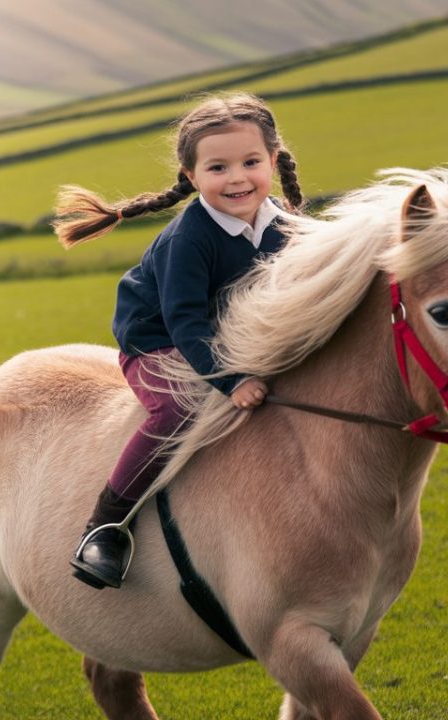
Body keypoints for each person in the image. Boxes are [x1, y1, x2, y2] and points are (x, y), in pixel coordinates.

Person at [53, 93, 305, 589]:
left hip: (232, 335)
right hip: (159, 340)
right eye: (218, 167)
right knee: (180, 410)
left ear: (273, 163)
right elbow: (186, 321)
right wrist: (231, 381)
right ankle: (104, 527)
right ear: (191, 177)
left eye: (251, 162)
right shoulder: (188, 239)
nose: (237, 178)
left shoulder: (288, 226)